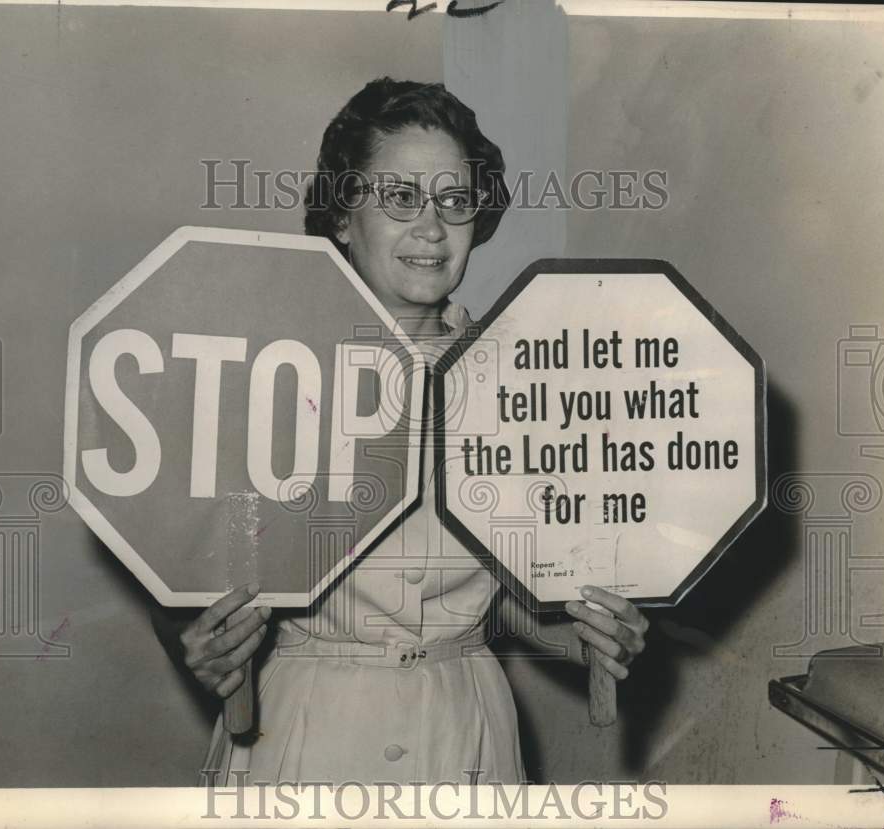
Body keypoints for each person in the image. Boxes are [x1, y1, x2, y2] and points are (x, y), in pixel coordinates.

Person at [165, 78, 649, 786]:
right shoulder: (263, 366)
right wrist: (200, 641)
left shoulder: (522, 375)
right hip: (303, 731)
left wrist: (591, 634)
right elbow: (180, 573)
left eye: (455, 202)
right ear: (340, 216)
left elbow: (517, 601)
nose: (432, 227)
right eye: (400, 198)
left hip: (467, 733)